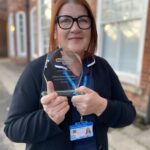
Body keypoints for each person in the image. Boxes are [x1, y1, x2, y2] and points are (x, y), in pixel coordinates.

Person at [4, 0, 136, 150]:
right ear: (55, 30)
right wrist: (48, 118)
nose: (75, 28)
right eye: (66, 20)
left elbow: (129, 114)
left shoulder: (102, 67)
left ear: (91, 28)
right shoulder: (36, 70)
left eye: (83, 20)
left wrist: (101, 106)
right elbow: (12, 129)